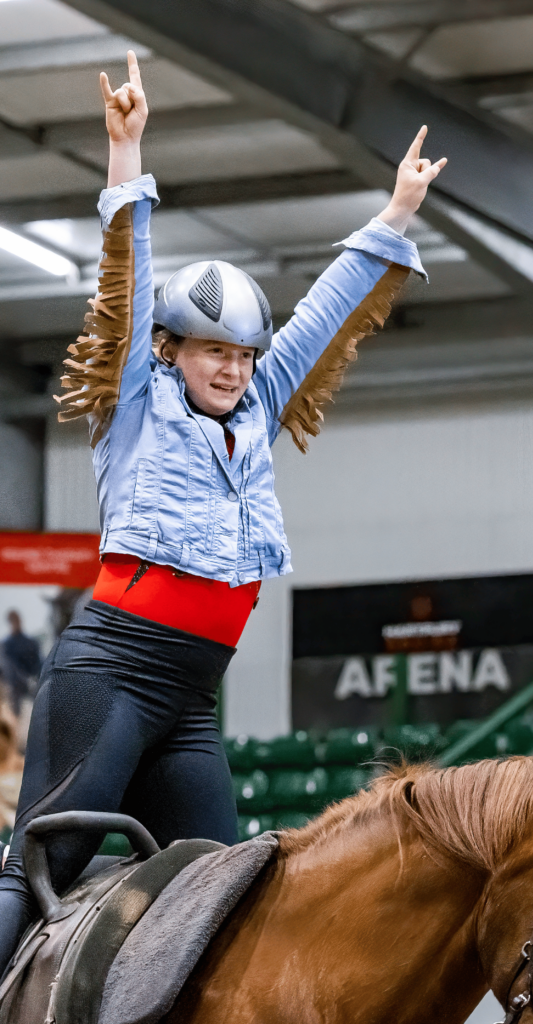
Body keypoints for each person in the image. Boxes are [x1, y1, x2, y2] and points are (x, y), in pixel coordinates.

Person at [0, 51, 446, 975]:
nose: (235, 369)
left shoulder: (259, 406)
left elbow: (324, 314)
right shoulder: (133, 399)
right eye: (214, 353)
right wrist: (127, 153)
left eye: (245, 355)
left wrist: (396, 211)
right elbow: (124, 277)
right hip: (112, 675)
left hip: (192, 700)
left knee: (222, 893)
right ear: (169, 348)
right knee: (42, 866)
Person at [1, 612, 41, 718]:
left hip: (32, 684)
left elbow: (37, 662)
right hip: (16, 687)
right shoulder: (6, 645)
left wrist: (34, 679)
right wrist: (26, 680)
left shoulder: (31, 642)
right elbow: (10, 669)